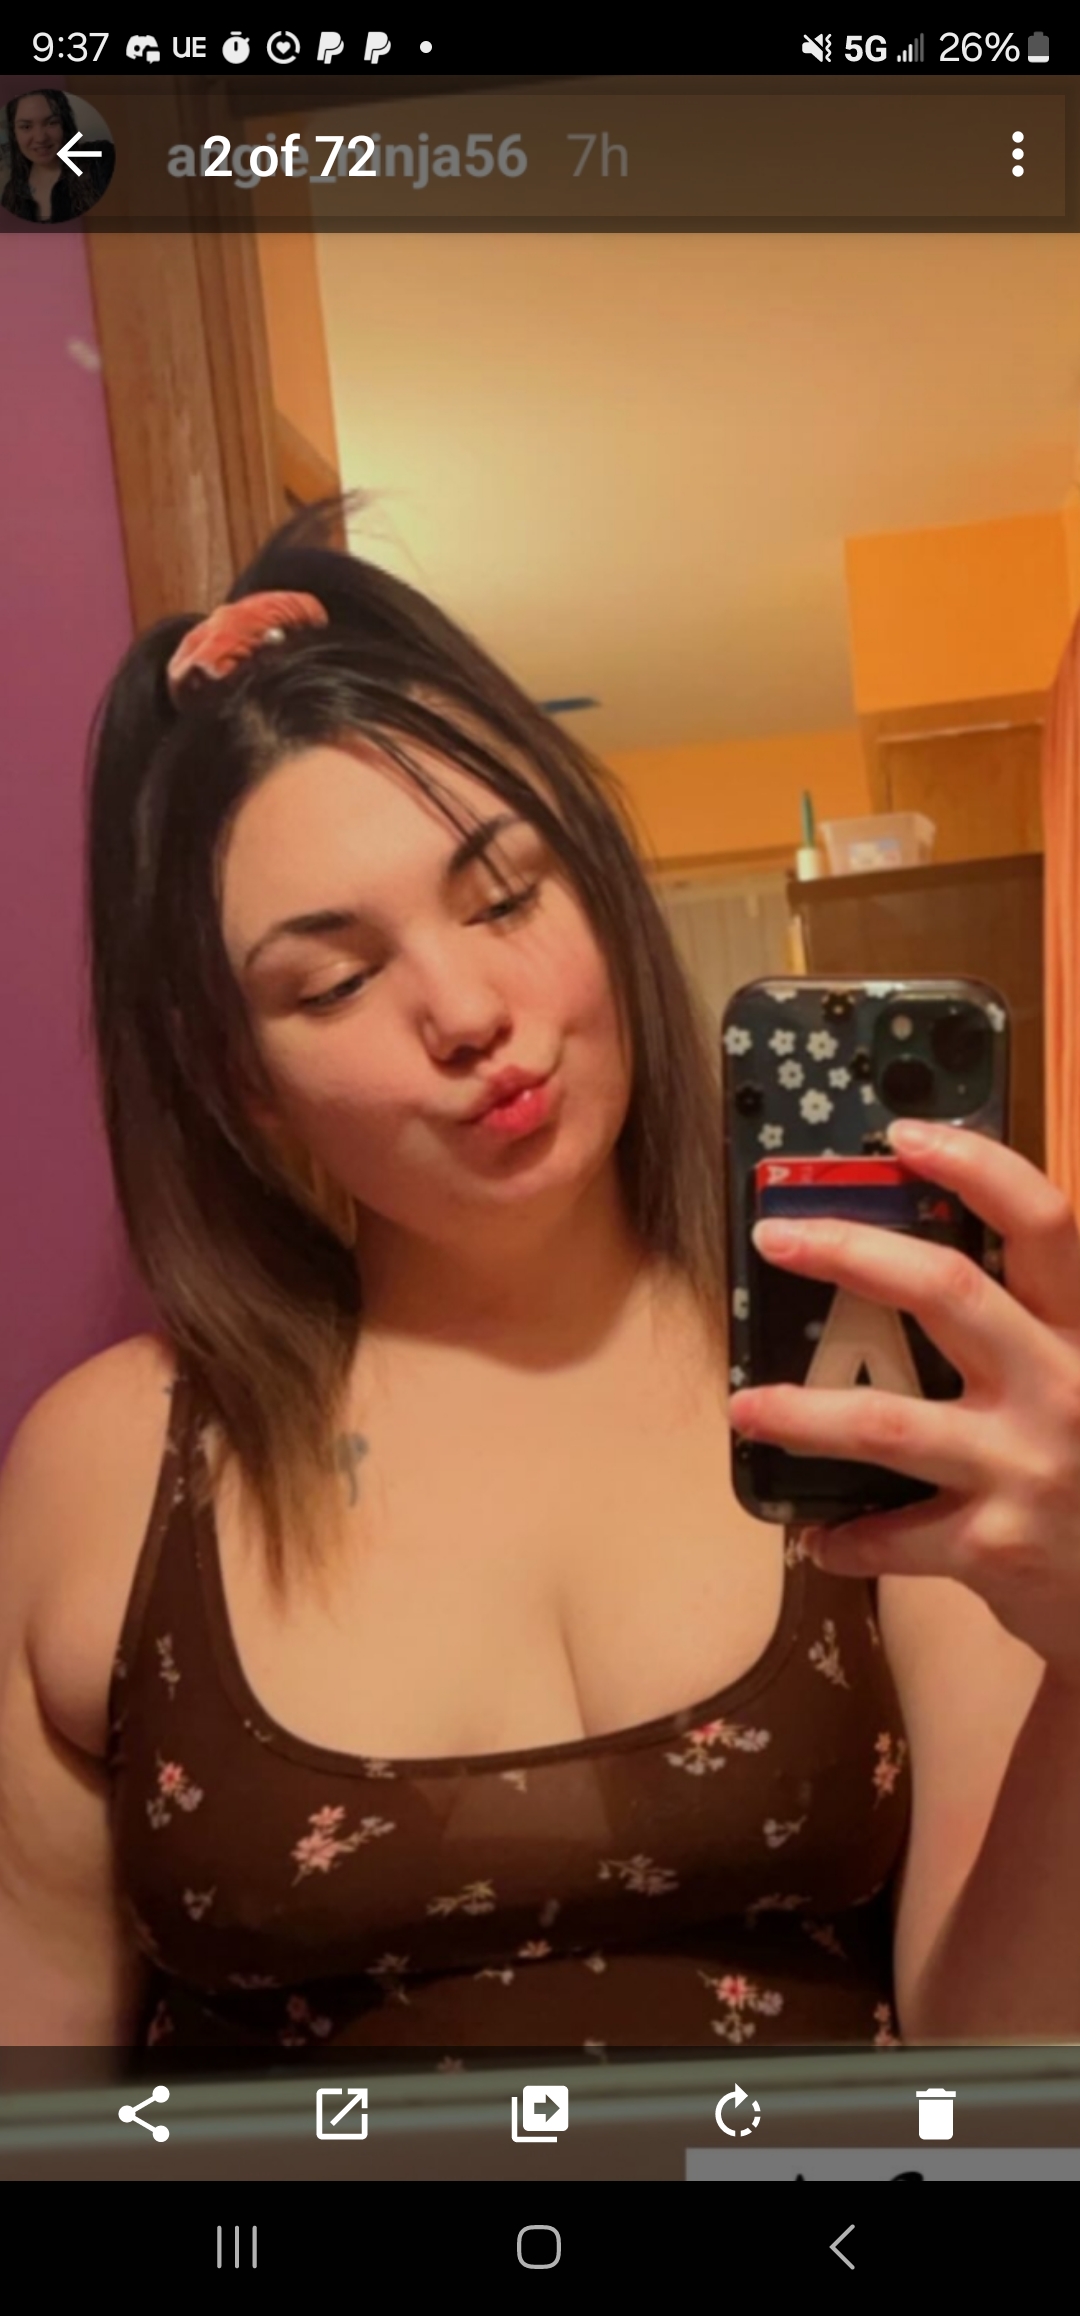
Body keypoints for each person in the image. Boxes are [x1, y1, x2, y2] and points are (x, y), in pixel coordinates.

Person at [2, 499, 1079, 2060]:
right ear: (240, 1077)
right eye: (336, 980)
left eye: (505, 896)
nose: (466, 1011)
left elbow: (1007, 2065)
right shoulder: (109, 1464)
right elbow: (36, 2097)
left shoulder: (871, 1379)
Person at [2, 89, 115, 223]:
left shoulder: (100, 160)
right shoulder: (10, 194)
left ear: (65, 125)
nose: (40, 138)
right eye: (26, 127)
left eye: (51, 123)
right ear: (14, 134)